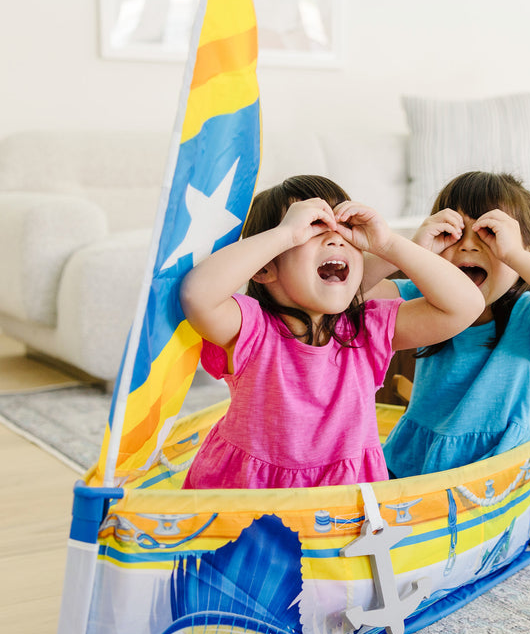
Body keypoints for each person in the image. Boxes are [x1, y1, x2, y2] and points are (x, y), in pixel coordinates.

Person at [179, 174, 485, 489]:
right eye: (313, 229)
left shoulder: (367, 330)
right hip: (250, 497)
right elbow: (197, 295)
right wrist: (286, 233)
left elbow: (465, 306)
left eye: (345, 229)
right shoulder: (251, 328)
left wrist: (389, 244)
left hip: (343, 499)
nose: (336, 238)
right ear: (265, 267)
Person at [364, 171, 530, 478]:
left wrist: (516, 254)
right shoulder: (425, 299)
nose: (468, 246)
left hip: (491, 481)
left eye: (489, 235)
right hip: (414, 467)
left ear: (529, 256)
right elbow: (349, 295)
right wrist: (407, 251)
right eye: (452, 234)